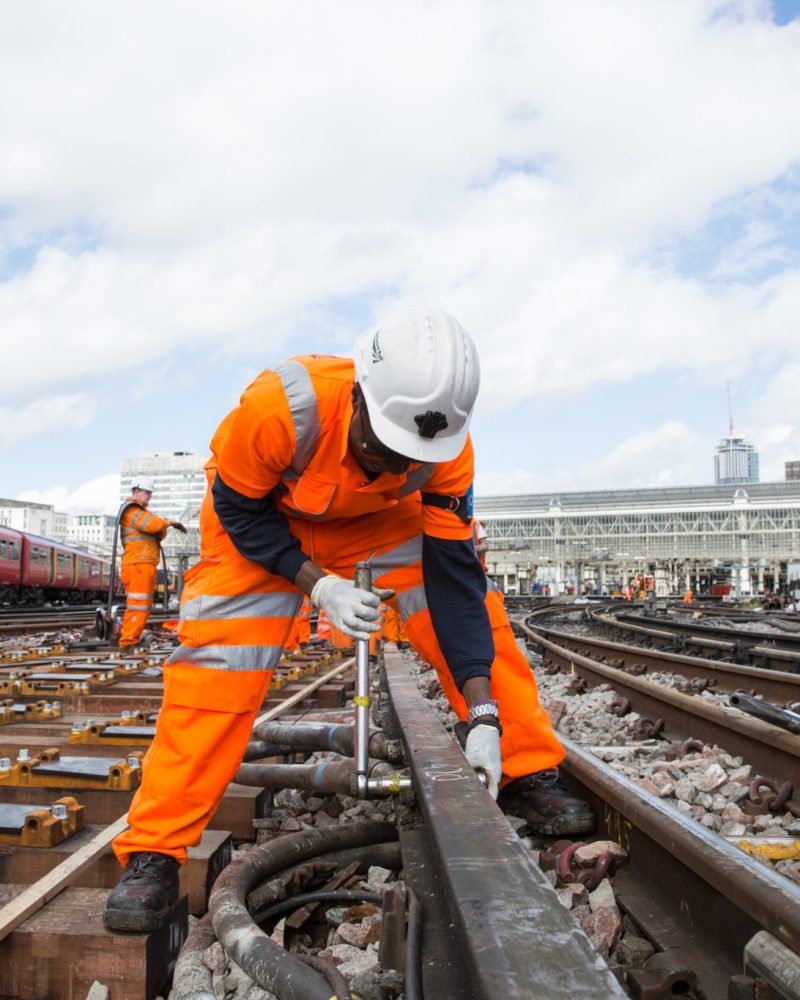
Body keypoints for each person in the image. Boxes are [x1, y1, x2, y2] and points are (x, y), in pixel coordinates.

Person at [103, 307, 594, 933]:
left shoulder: (447, 451)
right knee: (216, 669)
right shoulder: (281, 408)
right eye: (384, 447)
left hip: (381, 527)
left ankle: (525, 765)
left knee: (484, 626)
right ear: (359, 396)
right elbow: (237, 508)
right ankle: (155, 850)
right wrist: (317, 584)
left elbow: (454, 583)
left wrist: (484, 714)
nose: (393, 467)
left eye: (409, 458)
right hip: (262, 527)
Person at [117, 477, 187, 649]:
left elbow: (158, 532)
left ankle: (131, 638)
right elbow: (153, 525)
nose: (149, 496)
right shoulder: (132, 510)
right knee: (138, 605)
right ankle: (128, 641)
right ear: (136, 491)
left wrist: (164, 526)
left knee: (143, 606)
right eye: (147, 492)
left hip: (144, 564)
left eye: (150, 493)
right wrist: (169, 523)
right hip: (137, 564)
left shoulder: (141, 512)